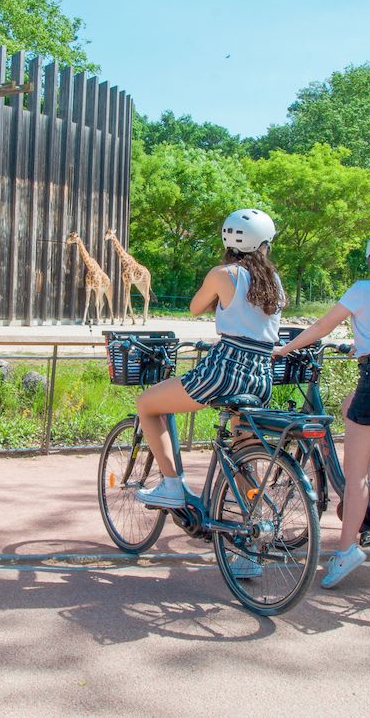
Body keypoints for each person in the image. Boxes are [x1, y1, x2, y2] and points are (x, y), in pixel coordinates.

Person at [274, 230, 370, 588]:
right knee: (348, 406)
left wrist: (284, 349)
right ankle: (368, 507)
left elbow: (323, 326)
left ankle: (346, 550)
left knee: (358, 473)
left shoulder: (362, 290)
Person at [134, 208, 284, 512]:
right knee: (244, 452)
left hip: (225, 368)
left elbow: (194, 307)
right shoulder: (274, 282)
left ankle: (172, 485)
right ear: (264, 245)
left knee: (147, 404)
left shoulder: (222, 274)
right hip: (261, 375)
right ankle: (255, 521)